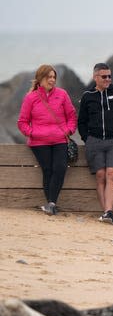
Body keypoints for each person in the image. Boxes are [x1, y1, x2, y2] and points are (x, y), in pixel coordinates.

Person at [17, 64, 77, 216]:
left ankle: (51, 203)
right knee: (48, 170)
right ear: (40, 79)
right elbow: (22, 122)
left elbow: (72, 116)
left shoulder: (62, 94)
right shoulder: (31, 97)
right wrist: (33, 133)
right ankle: (51, 204)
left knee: (60, 168)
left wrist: (68, 130)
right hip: (39, 142)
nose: (52, 80)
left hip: (60, 140)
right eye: (49, 77)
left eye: (53, 77)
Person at [78, 63, 113, 224]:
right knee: (100, 176)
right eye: (104, 76)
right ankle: (106, 213)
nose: (108, 79)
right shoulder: (88, 96)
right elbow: (81, 121)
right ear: (95, 77)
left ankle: (108, 212)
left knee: (111, 174)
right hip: (94, 142)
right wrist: (86, 138)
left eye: (110, 76)